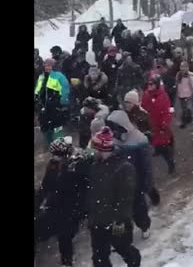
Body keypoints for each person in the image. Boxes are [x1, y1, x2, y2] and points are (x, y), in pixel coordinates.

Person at [87, 127, 141, 267]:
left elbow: (125, 199)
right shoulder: (95, 165)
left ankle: (134, 262)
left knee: (123, 248)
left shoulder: (124, 168)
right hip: (97, 221)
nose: (94, 151)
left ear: (104, 149)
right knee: (99, 257)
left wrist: (119, 222)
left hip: (115, 222)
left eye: (96, 148)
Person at [34, 137, 90, 267]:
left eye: (56, 155)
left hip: (71, 207)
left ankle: (67, 261)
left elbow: (81, 190)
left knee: (64, 234)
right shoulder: (53, 165)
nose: (53, 157)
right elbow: (46, 186)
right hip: (57, 205)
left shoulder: (76, 167)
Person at [106, 110, 156, 238]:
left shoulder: (138, 140)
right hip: (121, 182)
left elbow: (146, 165)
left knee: (138, 207)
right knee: (120, 211)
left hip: (136, 181)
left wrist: (147, 183)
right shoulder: (113, 139)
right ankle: (122, 236)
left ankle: (144, 226)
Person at [141, 78, 176, 175]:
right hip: (152, 125)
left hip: (161, 126)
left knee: (163, 146)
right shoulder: (146, 95)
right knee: (156, 143)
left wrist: (164, 123)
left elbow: (166, 111)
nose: (150, 86)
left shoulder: (163, 96)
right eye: (149, 84)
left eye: (152, 84)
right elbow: (143, 108)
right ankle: (162, 151)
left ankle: (171, 162)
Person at [34, 59, 71, 147]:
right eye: (46, 65)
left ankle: (59, 147)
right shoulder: (41, 77)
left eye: (49, 65)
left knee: (57, 128)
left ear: (53, 66)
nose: (47, 67)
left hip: (55, 106)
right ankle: (49, 146)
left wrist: (63, 102)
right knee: (45, 128)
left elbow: (65, 89)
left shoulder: (59, 76)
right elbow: (37, 89)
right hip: (43, 106)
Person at [176, 61, 193, 128]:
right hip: (181, 94)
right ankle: (189, 118)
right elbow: (177, 84)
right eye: (181, 66)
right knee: (184, 108)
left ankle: (184, 122)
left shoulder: (189, 75)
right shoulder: (178, 75)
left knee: (185, 108)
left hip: (187, 94)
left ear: (187, 68)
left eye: (184, 67)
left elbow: (192, 84)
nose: (182, 68)